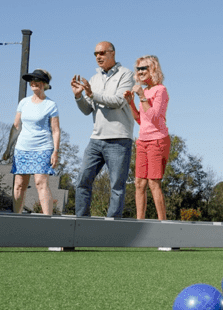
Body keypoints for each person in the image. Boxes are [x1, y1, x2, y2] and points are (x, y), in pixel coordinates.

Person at [71, 41, 135, 218]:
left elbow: (118, 101)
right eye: (95, 54)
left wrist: (92, 94)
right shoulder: (94, 79)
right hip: (96, 140)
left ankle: (111, 229)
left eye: (101, 53)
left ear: (112, 53)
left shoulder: (127, 75)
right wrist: (78, 97)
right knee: (82, 181)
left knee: (116, 187)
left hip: (119, 139)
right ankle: (81, 224)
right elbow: (87, 110)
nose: (98, 56)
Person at [124, 55, 170, 221]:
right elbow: (140, 120)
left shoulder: (160, 90)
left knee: (153, 182)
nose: (140, 71)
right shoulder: (146, 91)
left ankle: (162, 223)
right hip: (142, 141)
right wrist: (130, 102)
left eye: (144, 68)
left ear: (153, 70)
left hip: (158, 140)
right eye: (138, 69)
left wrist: (142, 96)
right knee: (139, 183)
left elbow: (155, 118)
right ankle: (139, 223)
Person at [10, 69, 60, 215]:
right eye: (31, 80)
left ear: (44, 84)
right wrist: (8, 148)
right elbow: (15, 127)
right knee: (19, 185)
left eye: (37, 80)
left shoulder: (51, 105)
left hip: (43, 148)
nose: (33, 83)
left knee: (41, 183)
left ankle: (47, 220)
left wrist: (55, 151)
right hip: (22, 148)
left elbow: (55, 130)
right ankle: (16, 217)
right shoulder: (23, 103)